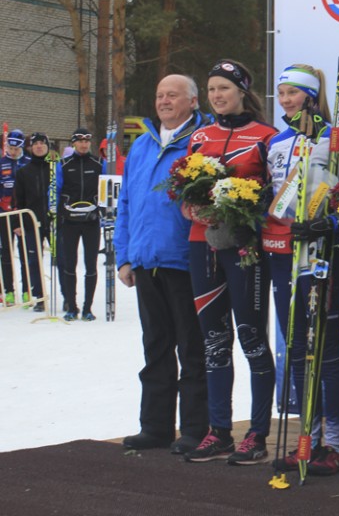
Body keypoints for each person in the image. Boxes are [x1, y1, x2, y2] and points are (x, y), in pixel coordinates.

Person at [264, 63, 339, 475]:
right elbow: (272, 198)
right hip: (285, 254)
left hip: (321, 255)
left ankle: (333, 444)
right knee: (297, 349)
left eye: (293, 92)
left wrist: (330, 223)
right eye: (282, 92)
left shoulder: (336, 139)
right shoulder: (278, 141)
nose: (286, 100)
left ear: (311, 96)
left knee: (327, 349)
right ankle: (309, 437)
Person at [183, 59, 278, 465]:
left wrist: (247, 211)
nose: (217, 96)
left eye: (224, 88)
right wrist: (189, 207)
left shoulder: (267, 137)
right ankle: (219, 430)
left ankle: (256, 434)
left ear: (242, 91)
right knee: (214, 342)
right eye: (211, 90)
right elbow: (181, 187)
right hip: (202, 244)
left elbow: (275, 195)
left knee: (252, 339)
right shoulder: (199, 136)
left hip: (243, 248)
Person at [116, 74, 213, 455]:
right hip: (145, 260)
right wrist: (125, 255)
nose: (164, 101)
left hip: (185, 260)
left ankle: (195, 428)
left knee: (192, 348)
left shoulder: (201, 141)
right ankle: (155, 427)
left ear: (193, 101)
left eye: (173, 95)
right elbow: (126, 203)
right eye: (159, 95)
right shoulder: (142, 145)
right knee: (155, 347)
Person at [57, 127, 102, 321]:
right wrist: (55, 213)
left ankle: (87, 308)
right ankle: (71, 306)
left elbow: (108, 189)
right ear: (74, 143)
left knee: (91, 265)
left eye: (86, 141)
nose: (84, 144)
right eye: (80, 141)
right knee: (69, 264)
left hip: (91, 220)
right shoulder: (64, 164)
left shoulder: (99, 163)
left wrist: (107, 210)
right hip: (70, 221)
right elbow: (56, 190)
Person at [12, 133, 55, 312]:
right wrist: (17, 223)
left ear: (47, 146)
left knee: (62, 260)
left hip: (53, 223)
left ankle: (68, 297)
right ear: (30, 147)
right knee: (34, 261)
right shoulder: (23, 172)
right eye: (35, 143)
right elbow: (18, 200)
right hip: (31, 223)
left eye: (42, 143)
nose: (39, 146)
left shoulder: (55, 169)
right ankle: (39, 297)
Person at [0, 129, 30, 305]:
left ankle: (27, 290)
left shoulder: (27, 162)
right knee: (6, 253)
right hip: (5, 214)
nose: (13, 152)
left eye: (16, 149)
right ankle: (9, 291)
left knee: (25, 253)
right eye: (10, 148)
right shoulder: (2, 163)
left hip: (23, 214)